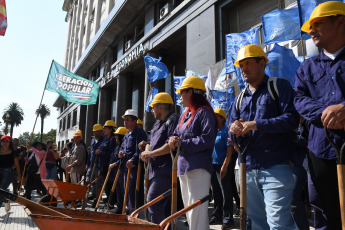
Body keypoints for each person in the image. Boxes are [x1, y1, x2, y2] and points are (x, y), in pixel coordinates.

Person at [229, 44, 299, 229]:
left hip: (276, 166)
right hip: (247, 169)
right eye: (241, 65)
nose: (243, 68)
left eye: (248, 63)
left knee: (278, 224)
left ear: (262, 63)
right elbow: (232, 126)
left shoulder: (279, 86)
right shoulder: (239, 98)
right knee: (258, 225)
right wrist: (234, 128)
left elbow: (292, 119)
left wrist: (257, 125)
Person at [294, 2, 345, 229]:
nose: (312, 30)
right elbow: (299, 99)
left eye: (318, 24)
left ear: (341, 22)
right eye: (310, 26)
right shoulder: (306, 67)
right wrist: (325, 112)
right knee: (323, 208)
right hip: (320, 149)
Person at [168, 76, 217, 230]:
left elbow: (207, 139)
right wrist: (172, 140)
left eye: (182, 92)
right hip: (183, 167)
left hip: (198, 167)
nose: (180, 96)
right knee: (189, 211)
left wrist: (183, 143)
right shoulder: (185, 114)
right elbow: (175, 134)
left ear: (190, 92)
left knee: (197, 212)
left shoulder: (205, 112)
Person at [138, 92, 179, 225]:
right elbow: (149, 141)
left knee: (153, 202)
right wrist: (146, 151)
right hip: (153, 171)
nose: (152, 110)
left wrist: (150, 154)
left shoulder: (173, 119)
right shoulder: (157, 124)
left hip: (165, 171)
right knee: (164, 208)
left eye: (153, 107)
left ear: (160, 107)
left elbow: (170, 146)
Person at [117, 109, 147, 214]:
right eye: (124, 120)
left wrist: (132, 160)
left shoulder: (140, 133)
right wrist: (120, 152)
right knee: (126, 190)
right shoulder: (126, 134)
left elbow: (140, 150)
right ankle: (129, 210)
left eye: (127, 120)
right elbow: (122, 147)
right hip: (126, 167)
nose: (125, 122)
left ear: (134, 121)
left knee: (132, 191)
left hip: (135, 168)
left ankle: (132, 213)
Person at [209, 108, 235, 229]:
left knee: (225, 192)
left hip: (223, 165)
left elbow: (230, 149)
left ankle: (228, 218)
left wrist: (225, 166)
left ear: (222, 118)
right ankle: (217, 216)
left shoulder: (226, 131)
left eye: (216, 116)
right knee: (216, 192)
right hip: (213, 165)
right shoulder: (213, 131)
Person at [92, 121, 117, 206]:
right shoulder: (106, 139)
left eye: (105, 128)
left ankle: (111, 202)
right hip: (103, 165)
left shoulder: (113, 139)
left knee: (110, 184)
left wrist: (101, 152)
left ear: (110, 129)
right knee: (106, 184)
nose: (104, 130)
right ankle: (109, 201)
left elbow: (111, 153)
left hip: (109, 165)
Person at [108, 126, 128, 212]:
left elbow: (123, 159)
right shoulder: (118, 146)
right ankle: (119, 207)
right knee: (118, 190)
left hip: (122, 170)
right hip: (116, 171)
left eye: (117, 135)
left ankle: (124, 207)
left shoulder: (123, 146)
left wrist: (115, 164)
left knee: (123, 190)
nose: (115, 137)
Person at [0, 135, 21, 211]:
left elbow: (16, 164)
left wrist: (19, 175)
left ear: (10, 143)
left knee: (1, 190)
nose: (4, 143)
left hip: (8, 173)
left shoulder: (13, 152)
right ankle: (5, 200)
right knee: (2, 191)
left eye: (6, 141)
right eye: (3, 141)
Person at [86, 124, 104, 201]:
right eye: (94, 131)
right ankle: (90, 195)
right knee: (88, 178)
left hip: (99, 164)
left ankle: (96, 198)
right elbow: (90, 153)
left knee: (97, 182)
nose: (95, 133)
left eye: (97, 131)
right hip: (92, 164)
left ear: (100, 132)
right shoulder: (93, 140)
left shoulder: (103, 140)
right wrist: (87, 163)